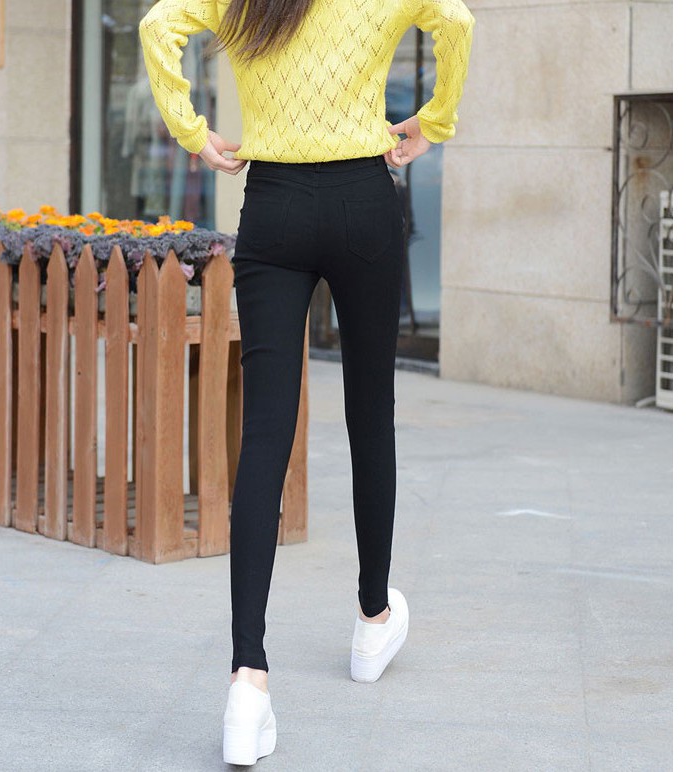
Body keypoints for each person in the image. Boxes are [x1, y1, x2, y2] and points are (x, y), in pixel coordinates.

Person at [139, 0, 475, 764]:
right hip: (364, 202)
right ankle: (372, 622)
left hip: (275, 208)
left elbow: (157, 26)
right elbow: (458, 22)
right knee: (370, 417)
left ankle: (248, 680)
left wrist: (193, 132)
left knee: (265, 432)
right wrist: (435, 121)